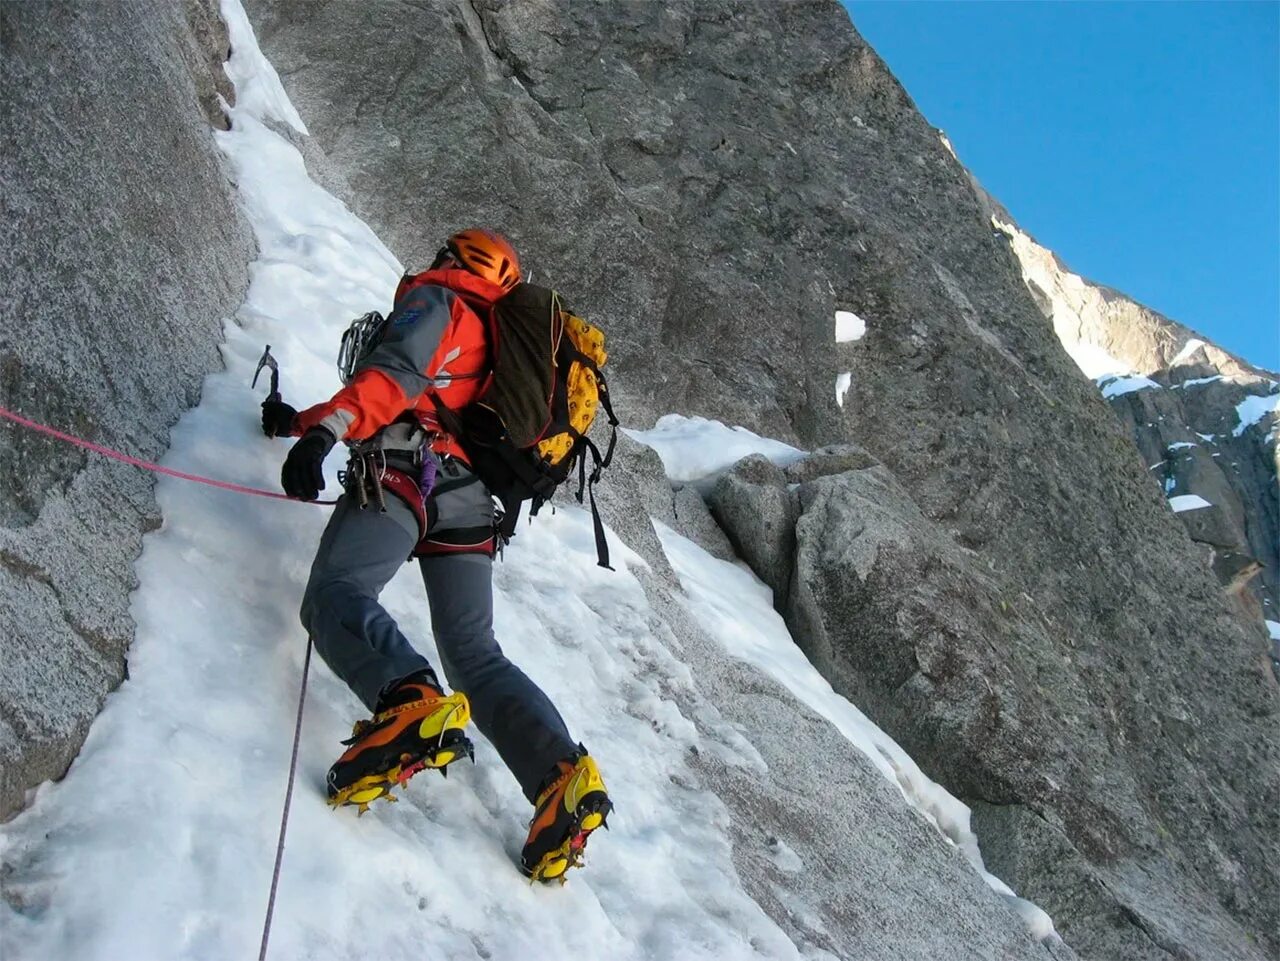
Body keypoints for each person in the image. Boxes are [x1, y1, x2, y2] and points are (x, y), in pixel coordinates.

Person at [261, 229, 611, 882]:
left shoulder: (439, 302)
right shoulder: (501, 341)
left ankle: (409, 696)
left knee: (336, 591)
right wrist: (297, 422)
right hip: (471, 503)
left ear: (454, 261)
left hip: (404, 473)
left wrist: (324, 438)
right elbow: (406, 389)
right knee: (475, 653)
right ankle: (561, 775)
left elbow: (390, 381)